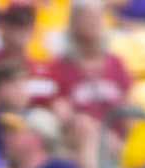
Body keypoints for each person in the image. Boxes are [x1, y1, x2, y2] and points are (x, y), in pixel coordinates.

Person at [50, 0, 133, 137]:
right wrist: (101, 136)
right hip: (81, 142)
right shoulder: (59, 66)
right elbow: (62, 112)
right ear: (74, 23)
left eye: (96, 17)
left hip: (119, 141)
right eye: (86, 17)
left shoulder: (116, 63)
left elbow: (128, 104)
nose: (92, 23)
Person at [0, 3, 60, 108]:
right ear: (2, 27)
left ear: (33, 29)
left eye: (26, 24)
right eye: (15, 23)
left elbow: (53, 100)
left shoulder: (44, 68)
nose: (20, 30)